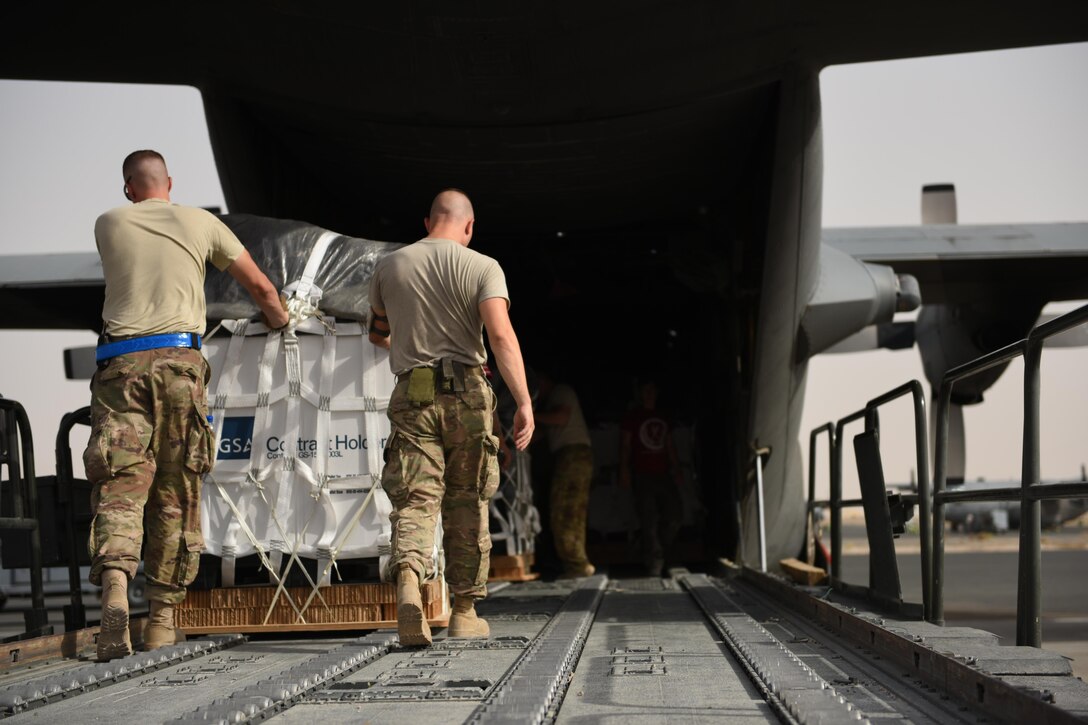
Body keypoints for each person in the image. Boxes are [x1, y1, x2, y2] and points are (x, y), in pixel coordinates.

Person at [84, 150, 289, 662]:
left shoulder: (107, 222)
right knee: (176, 491)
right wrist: (280, 320)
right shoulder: (202, 222)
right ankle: (161, 620)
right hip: (179, 366)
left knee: (121, 486)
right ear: (169, 183)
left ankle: (114, 588)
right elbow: (260, 286)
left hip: (120, 368)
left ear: (129, 188)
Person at [368, 189, 533, 646]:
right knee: (466, 501)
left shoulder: (390, 265)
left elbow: (378, 334)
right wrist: (522, 401)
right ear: (469, 226)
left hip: (413, 392)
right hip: (467, 396)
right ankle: (463, 611)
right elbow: (500, 336)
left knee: (415, 500)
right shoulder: (483, 266)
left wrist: (412, 340)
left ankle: (408, 584)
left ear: (427, 222)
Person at [618, 378, 685, 577]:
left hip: (663, 473)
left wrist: (677, 468)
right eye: (645, 390)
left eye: (652, 390)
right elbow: (625, 446)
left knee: (675, 516)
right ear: (640, 394)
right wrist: (624, 471)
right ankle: (655, 561)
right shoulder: (633, 417)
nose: (649, 394)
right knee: (649, 518)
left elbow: (669, 444)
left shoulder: (662, 416)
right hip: (642, 474)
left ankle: (659, 551)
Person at [535, 371, 595, 578]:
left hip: (573, 454)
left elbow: (561, 417)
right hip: (568, 455)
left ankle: (577, 564)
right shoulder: (553, 399)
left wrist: (527, 414)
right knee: (566, 510)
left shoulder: (560, 392)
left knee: (566, 511)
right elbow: (541, 432)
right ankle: (575, 563)